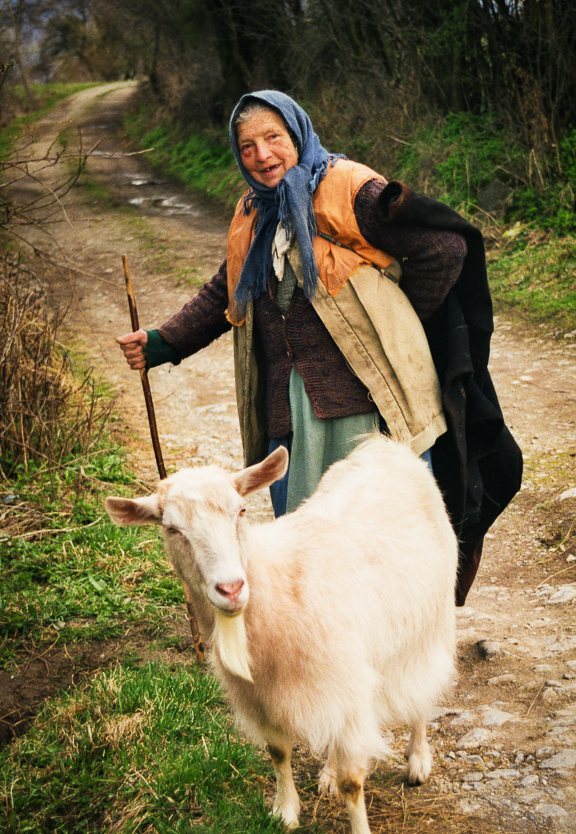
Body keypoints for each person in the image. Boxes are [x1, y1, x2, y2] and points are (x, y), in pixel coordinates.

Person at [117, 90, 522, 604]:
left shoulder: (349, 188)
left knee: (380, 539)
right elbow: (226, 289)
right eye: (247, 147)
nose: (262, 155)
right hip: (290, 413)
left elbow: (444, 248)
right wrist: (163, 342)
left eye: (272, 138)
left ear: (296, 134)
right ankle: (327, 642)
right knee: (309, 550)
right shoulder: (252, 212)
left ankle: (395, 640)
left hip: (367, 407)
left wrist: (397, 317)